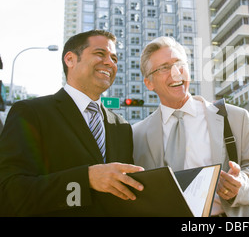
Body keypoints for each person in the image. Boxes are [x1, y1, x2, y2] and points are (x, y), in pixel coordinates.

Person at [0, 30, 144, 216]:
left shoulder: (122, 127)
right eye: (100, 54)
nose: (110, 63)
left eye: (114, 58)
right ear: (70, 60)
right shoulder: (31, 113)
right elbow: (8, 194)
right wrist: (85, 180)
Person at [132, 36, 249, 217]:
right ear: (149, 83)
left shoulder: (235, 117)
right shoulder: (136, 134)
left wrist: (241, 184)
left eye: (180, 63)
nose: (175, 73)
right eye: (164, 68)